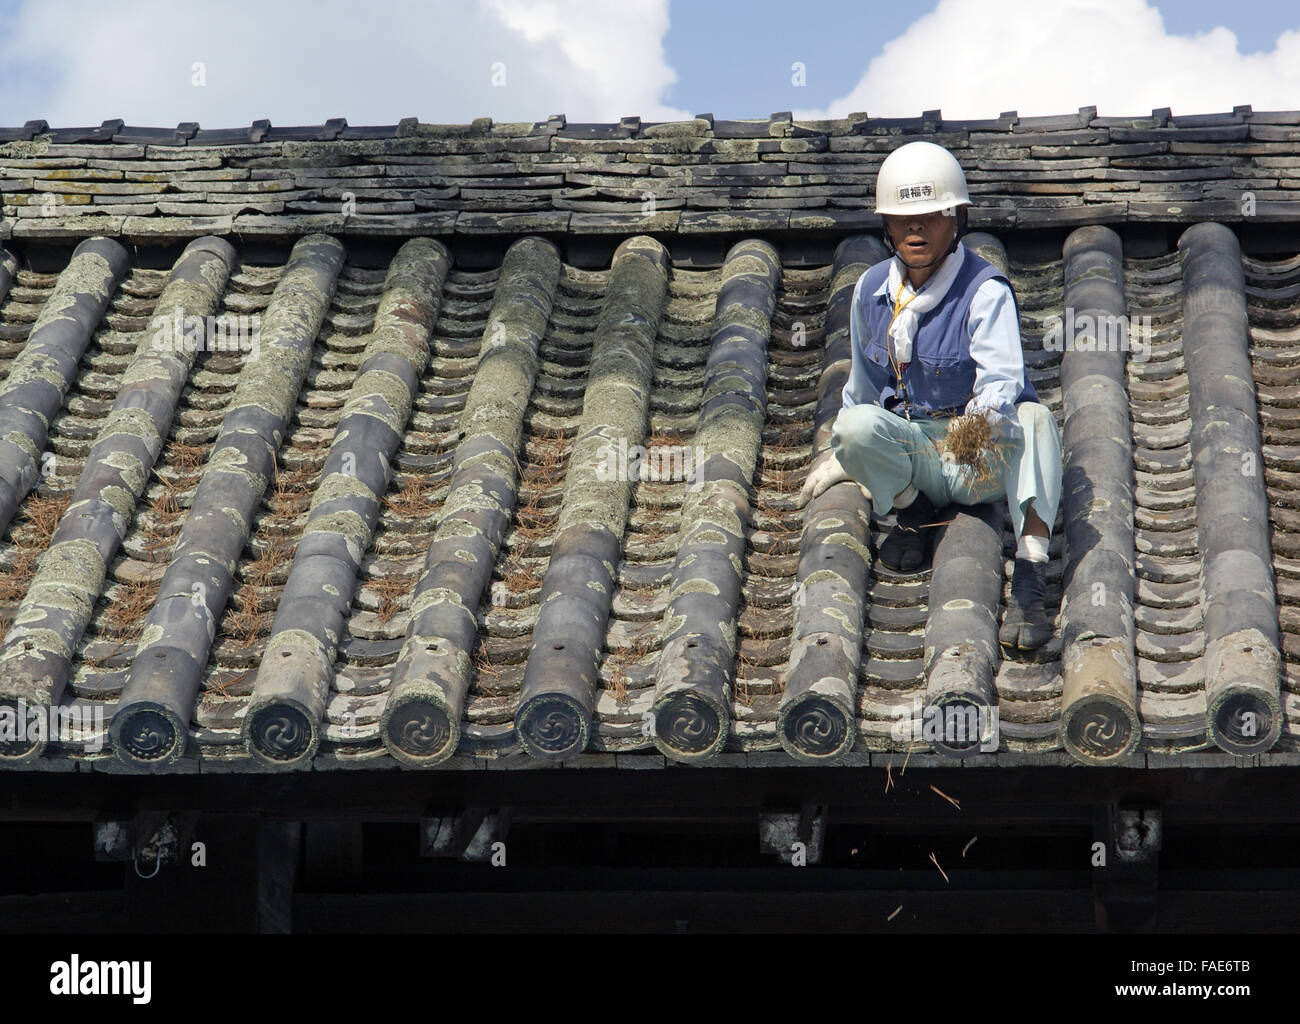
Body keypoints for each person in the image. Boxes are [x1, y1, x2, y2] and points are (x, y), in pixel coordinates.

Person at [797, 140, 1063, 650]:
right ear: (887, 227)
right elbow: (862, 390)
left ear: (956, 219)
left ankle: (1030, 573)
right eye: (903, 220)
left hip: (975, 453)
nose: (915, 230)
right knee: (851, 427)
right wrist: (849, 453)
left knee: (1034, 419)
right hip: (917, 453)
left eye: (931, 217)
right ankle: (910, 508)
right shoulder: (869, 290)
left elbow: (1001, 382)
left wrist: (968, 437)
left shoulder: (985, 290)